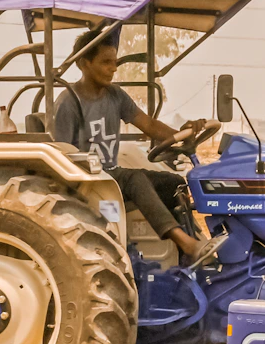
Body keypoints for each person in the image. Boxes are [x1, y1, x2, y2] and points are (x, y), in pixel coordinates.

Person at [50, 27, 216, 265]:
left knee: (175, 183)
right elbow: (62, 154)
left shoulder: (115, 95)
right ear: (84, 64)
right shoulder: (68, 102)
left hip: (111, 175)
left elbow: (148, 124)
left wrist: (181, 134)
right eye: (106, 62)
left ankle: (186, 256)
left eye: (115, 62)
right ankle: (185, 243)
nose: (113, 68)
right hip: (87, 182)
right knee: (135, 179)